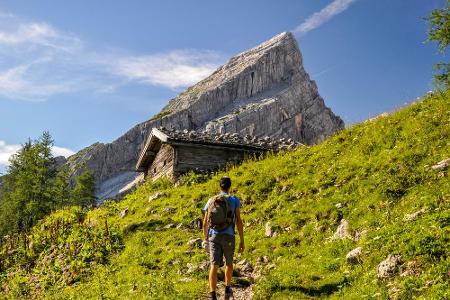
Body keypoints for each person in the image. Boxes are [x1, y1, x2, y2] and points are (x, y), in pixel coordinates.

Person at [203, 176, 244, 300]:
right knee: (229, 264)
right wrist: (242, 240)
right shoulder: (234, 199)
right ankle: (227, 289)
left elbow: (205, 222)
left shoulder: (211, 200)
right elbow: (238, 221)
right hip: (229, 235)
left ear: (219, 186)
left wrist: (206, 238)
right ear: (229, 187)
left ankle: (213, 296)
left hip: (213, 236)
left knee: (213, 266)